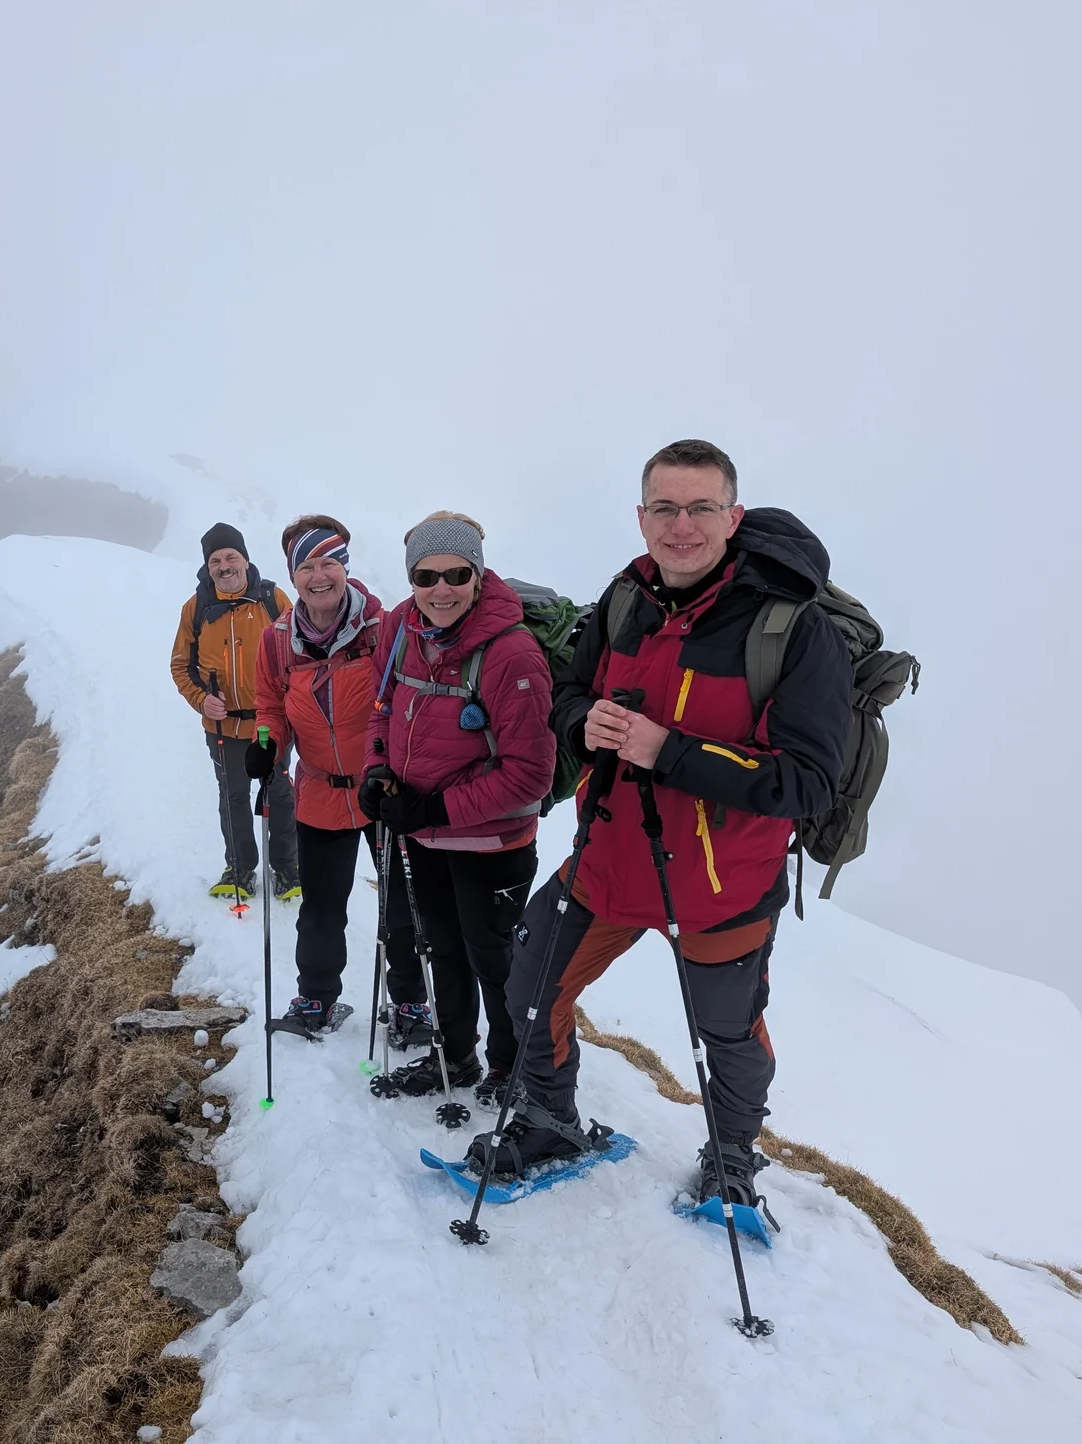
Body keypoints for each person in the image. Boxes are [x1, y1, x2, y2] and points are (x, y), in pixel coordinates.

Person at [472, 439, 850, 1211]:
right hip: (609, 859)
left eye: (702, 508)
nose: (683, 526)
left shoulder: (792, 628)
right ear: (642, 518)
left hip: (720, 885)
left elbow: (808, 781)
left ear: (732, 516)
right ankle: (549, 1119)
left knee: (728, 1034)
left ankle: (733, 1154)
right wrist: (586, 721)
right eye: (666, 509)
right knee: (531, 990)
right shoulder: (624, 599)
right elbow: (569, 693)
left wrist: (670, 751)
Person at [359, 512, 555, 1102]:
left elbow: (530, 776)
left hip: (492, 844)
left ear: (478, 573)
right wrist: (376, 771)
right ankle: (454, 1056)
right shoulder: (400, 627)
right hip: (424, 836)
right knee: (439, 948)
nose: (440, 589)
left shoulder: (512, 655)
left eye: (455, 573)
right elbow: (381, 707)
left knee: (494, 960)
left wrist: (432, 810)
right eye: (426, 575)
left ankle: (508, 1067)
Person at [245, 516, 395, 1029]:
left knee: (403, 906)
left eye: (328, 561)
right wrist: (266, 747)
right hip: (320, 793)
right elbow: (270, 707)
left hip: (386, 790)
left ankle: (412, 1001)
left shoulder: (385, 628)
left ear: (345, 567)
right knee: (321, 909)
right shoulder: (277, 641)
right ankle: (316, 999)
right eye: (306, 565)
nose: (318, 575)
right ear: (293, 575)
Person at [170, 522, 300, 901]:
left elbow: (299, 655)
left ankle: (288, 868)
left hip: (269, 723)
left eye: (230, 557)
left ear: (245, 559)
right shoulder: (195, 609)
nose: (224, 566)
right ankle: (240, 869)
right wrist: (201, 699)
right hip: (222, 726)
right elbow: (180, 665)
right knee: (233, 796)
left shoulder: (273, 600)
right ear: (207, 566)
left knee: (279, 794)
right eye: (215, 560)